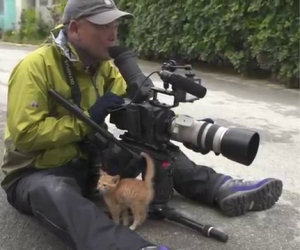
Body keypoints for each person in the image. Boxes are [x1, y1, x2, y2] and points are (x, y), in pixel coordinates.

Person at [0, 0, 282, 250]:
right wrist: (86, 120)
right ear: (75, 30)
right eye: (103, 26)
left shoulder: (106, 67)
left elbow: (133, 101)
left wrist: (168, 123)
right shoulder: (35, 67)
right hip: (35, 172)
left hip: (89, 162)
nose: (113, 34)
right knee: (57, 193)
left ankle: (220, 187)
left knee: (150, 150)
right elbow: (26, 135)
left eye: (115, 25)